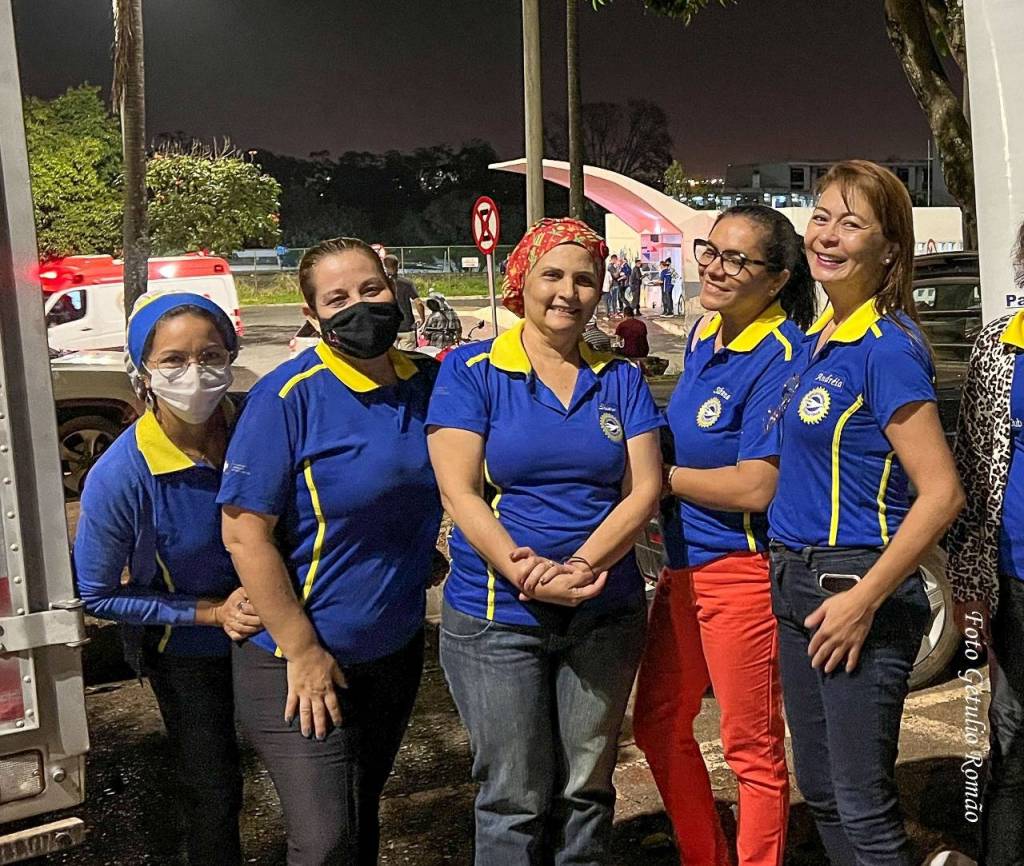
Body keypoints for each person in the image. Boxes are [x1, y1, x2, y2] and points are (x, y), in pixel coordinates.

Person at [428, 217, 664, 865]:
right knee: (514, 795)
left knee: (587, 787)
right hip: (498, 615)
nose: (568, 292)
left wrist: (583, 564)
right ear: (521, 281)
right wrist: (523, 572)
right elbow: (459, 492)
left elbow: (643, 490)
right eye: (552, 275)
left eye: (585, 279)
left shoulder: (620, 378)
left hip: (603, 610)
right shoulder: (473, 371)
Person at [218, 237, 444, 865]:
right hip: (297, 661)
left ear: (394, 288)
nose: (360, 307)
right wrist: (303, 650)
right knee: (324, 842)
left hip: (393, 649)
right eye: (337, 298)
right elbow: (243, 533)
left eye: (372, 289)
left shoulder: (429, 383)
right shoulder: (287, 397)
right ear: (311, 314)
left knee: (359, 816)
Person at [767, 160, 964, 865]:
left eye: (851, 224)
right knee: (821, 791)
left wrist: (863, 600)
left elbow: (941, 493)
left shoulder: (887, 349)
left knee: (863, 806)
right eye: (821, 216)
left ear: (889, 250)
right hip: (796, 582)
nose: (827, 235)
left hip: (853, 586)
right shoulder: (822, 337)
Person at [634, 206, 816, 866]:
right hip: (683, 566)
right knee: (657, 722)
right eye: (710, 250)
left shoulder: (783, 355)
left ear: (777, 279)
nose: (714, 267)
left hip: (741, 571)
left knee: (750, 748)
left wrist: (660, 478)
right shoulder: (705, 333)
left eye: (737, 259)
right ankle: (705, 854)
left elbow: (755, 486)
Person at [75, 292, 260, 865]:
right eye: (174, 360)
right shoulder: (122, 474)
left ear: (231, 357)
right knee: (212, 789)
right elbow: (98, 593)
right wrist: (212, 612)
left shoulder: (260, 425)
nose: (195, 373)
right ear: (144, 373)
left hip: (278, 630)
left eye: (210, 356)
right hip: (187, 652)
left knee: (313, 770)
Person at [945, 218, 1024, 866]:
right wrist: (970, 584)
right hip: (1016, 578)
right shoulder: (999, 348)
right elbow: (971, 470)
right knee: (1013, 735)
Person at [383, 253, 425, 350]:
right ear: (398, 265)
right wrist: (422, 319)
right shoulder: (406, 283)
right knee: (408, 356)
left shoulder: (382, 283)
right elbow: (418, 303)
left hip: (389, 327)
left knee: (390, 357)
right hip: (407, 326)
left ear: (384, 266)